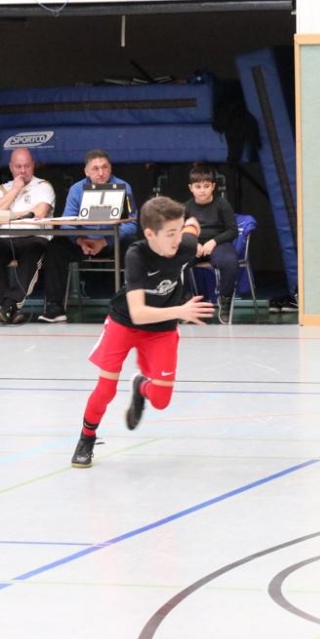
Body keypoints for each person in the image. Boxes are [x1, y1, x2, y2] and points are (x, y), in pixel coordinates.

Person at [70, 197, 216, 468]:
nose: (177, 239)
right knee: (106, 389)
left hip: (161, 328)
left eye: (178, 231)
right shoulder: (136, 255)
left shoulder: (184, 244)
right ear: (150, 234)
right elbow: (138, 313)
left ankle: (140, 386)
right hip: (125, 323)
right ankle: (86, 438)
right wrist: (180, 311)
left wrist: (191, 227)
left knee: (161, 401)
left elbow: (193, 225)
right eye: (170, 233)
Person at [39, 149, 139, 323]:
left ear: (110, 168)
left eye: (105, 167)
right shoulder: (76, 189)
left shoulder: (123, 187)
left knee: (134, 246)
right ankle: (55, 307)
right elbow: (67, 223)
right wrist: (80, 241)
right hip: (83, 243)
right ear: (86, 171)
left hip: (112, 242)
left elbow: (131, 224)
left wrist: (104, 241)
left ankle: (131, 306)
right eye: (95, 169)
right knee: (55, 247)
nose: (101, 173)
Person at [0, 147, 55, 324]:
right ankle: (10, 308)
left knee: (32, 254)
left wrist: (6, 212)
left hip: (34, 238)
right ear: (10, 167)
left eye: (27, 166)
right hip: (5, 239)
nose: (23, 171)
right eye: (18, 166)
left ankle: (8, 305)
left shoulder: (43, 186)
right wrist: (14, 190)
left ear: (33, 165)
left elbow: (39, 212)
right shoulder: (1, 189)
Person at [184, 164, 240, 324]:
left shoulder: (222, 204)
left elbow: (232, 230)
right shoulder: (186, 207)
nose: (202, 190)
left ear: (213, 186)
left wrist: (213, 242)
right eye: (198, 186)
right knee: (175, 261)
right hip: (194, 245)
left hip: (218, 243)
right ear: (191, 188)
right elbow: (180, 231)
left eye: (206, 186)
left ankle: (225, 300)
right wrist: (193, 243)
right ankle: (186, 302)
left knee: (230, 262)